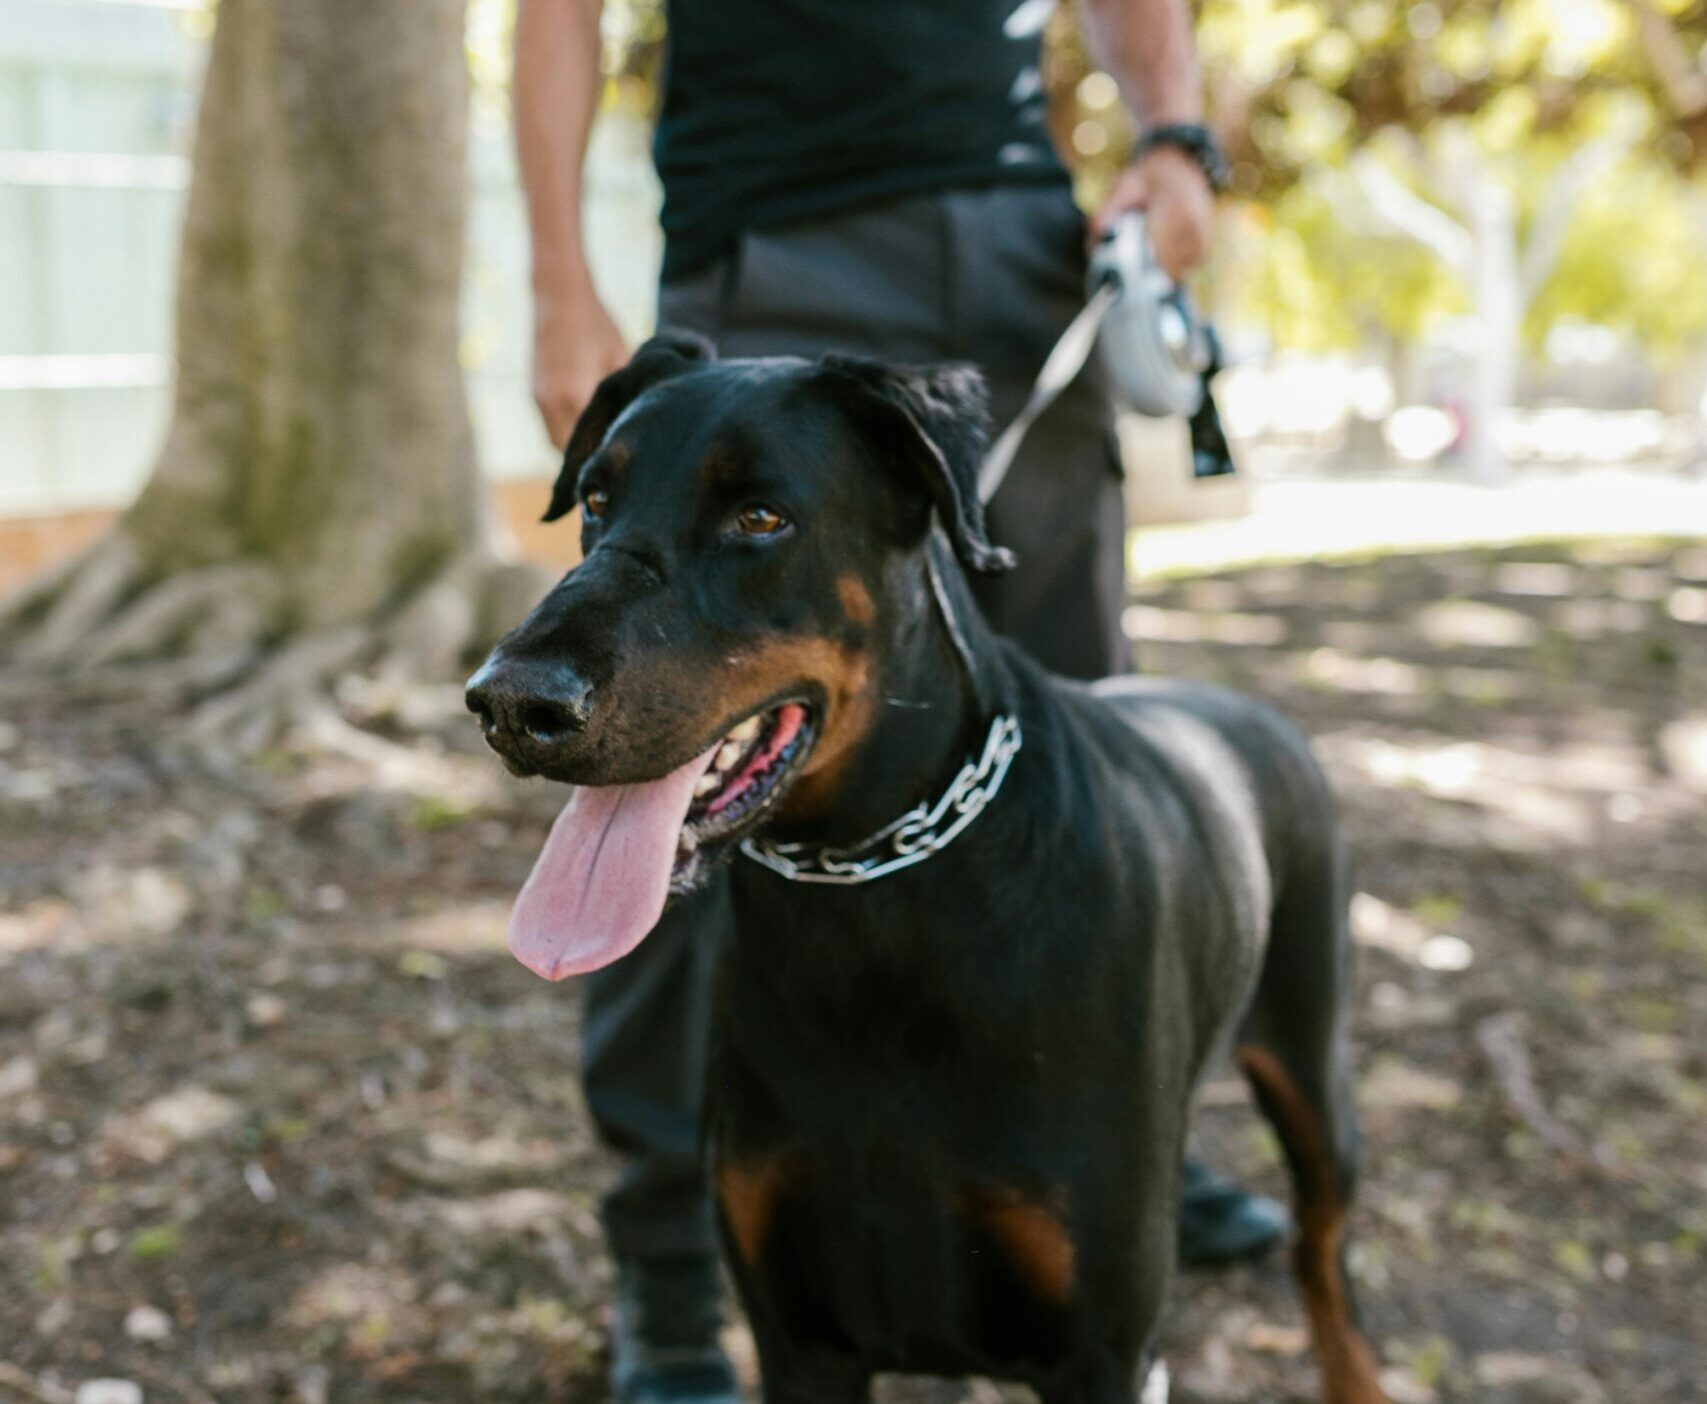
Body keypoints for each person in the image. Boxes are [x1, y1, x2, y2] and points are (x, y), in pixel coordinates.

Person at [513, 3, 1287, 1400]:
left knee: (1078, 762)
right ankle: (678, 1267)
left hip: (1014, 233)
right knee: (663, 741)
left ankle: (1111, 1160)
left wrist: (1172, 130)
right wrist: (559, 271)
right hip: (766, 233)